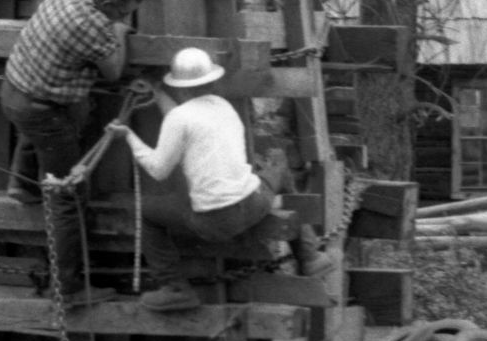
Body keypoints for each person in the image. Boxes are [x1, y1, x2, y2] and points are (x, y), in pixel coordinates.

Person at [107, 45, 324, 312]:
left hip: (216, 222)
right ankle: (309, 254)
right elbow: (184, 119)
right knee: (278, 163)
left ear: (181, 88)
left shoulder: (180, 117)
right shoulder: (223, 106)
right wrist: (159, 93)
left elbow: (158, 169)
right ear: (212, 80)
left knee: (148, 214)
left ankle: (175, 288)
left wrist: (128, 136)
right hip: (255, 203)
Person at [2, 0, 145, 303]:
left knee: (55, 121)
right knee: (67, 196)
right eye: (126, 11)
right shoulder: (94, 24)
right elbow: (112, 71)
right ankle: (67, 288)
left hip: (14, 90)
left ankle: (22, 185)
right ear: (113, 5)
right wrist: (119, 33)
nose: (128, 16)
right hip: (40, 110)